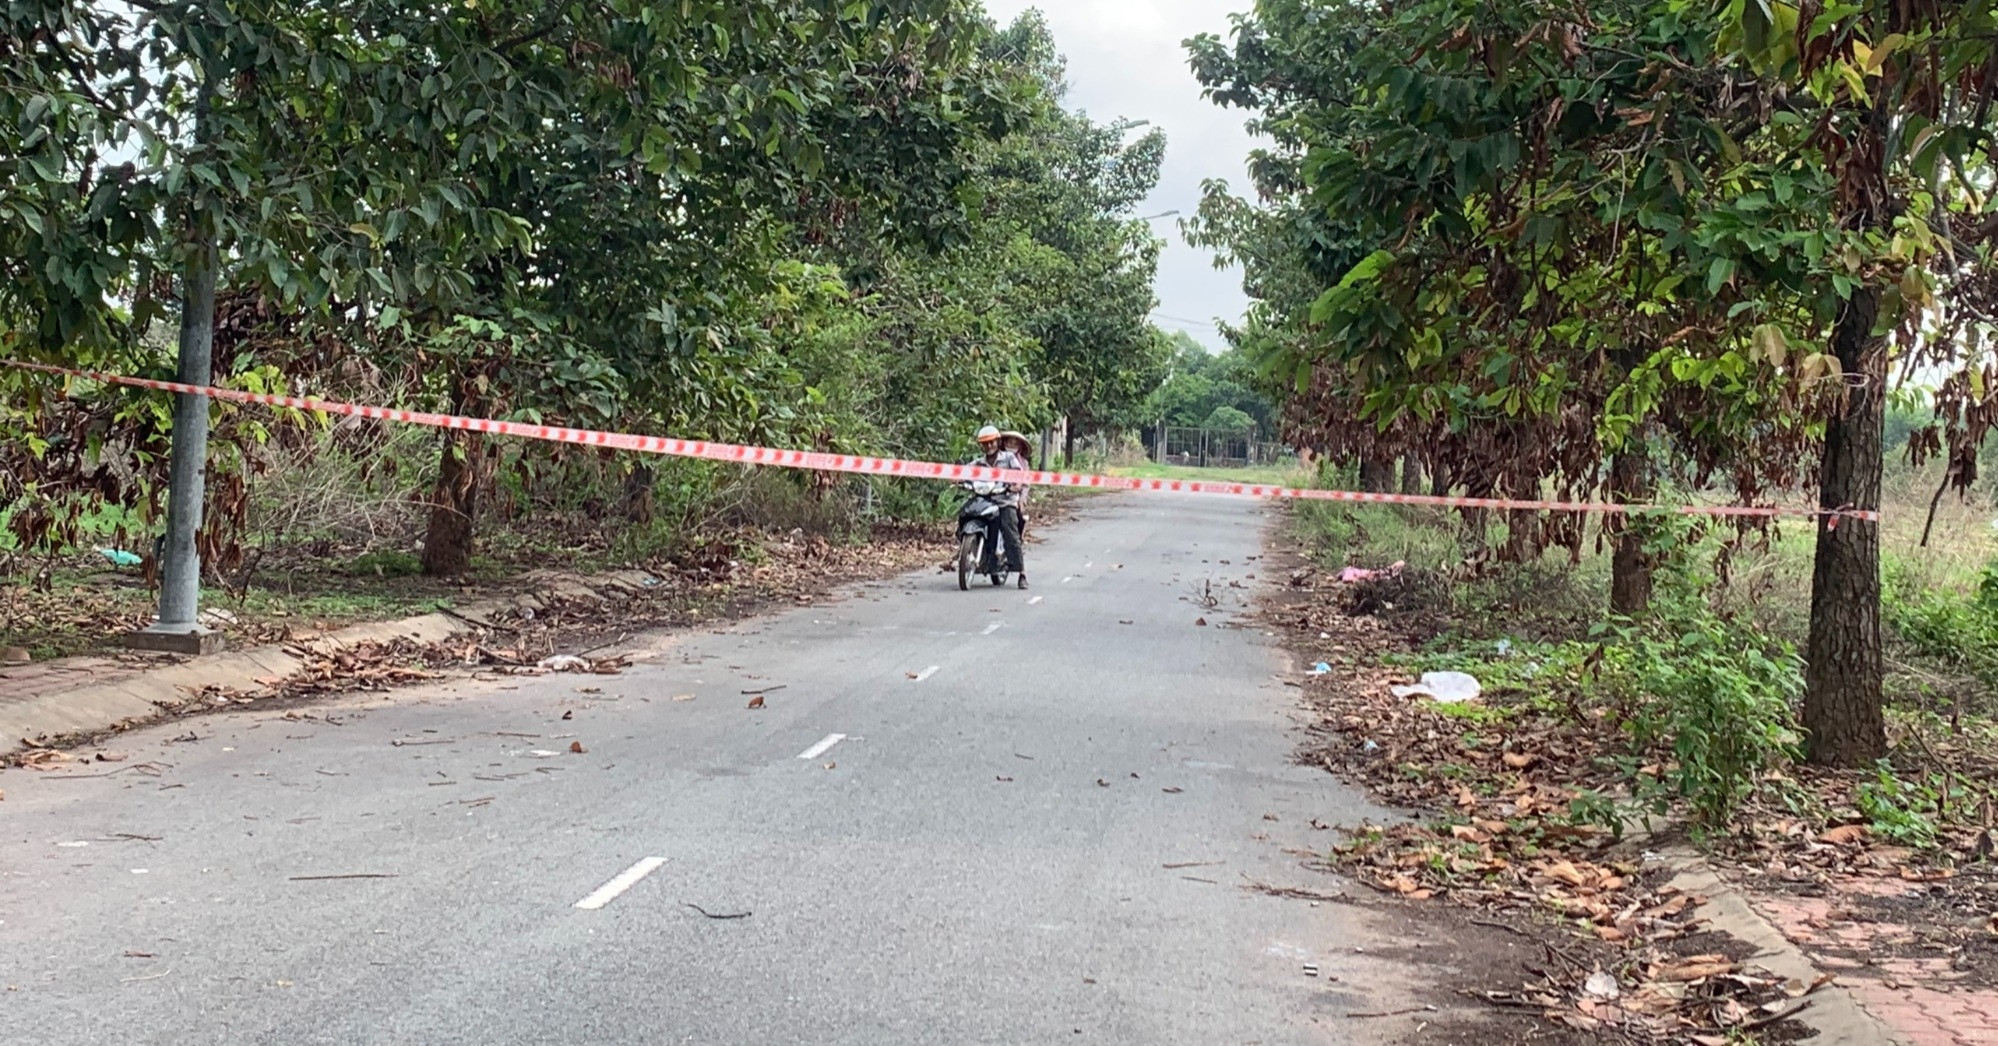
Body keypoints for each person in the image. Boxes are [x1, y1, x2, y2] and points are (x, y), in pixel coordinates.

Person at [972, 424, 1029, 589]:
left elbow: (1020, 475)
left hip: (1005, 501)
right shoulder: (979, 462)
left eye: (992, 442)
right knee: (967, 513)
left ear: (997, 443)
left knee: (1010, 532)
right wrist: (956, 477)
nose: (989, 446)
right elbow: (964, 470)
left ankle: (1022, 573)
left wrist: (1016, 485)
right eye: (985, 443)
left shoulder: (1009, 459)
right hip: (985, 500)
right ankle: (969, 551)